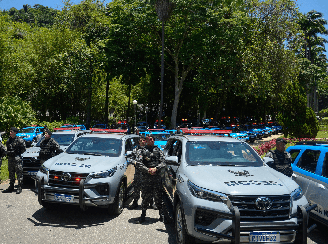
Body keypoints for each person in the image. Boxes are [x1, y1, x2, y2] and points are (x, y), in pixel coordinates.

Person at [134, 135, 165, 223]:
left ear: (154, 140)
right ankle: (143, 215)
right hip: (146, 178)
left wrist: (156, 168)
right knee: (145, 197)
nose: (150, 140)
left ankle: (161, 215)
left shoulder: (158, 150)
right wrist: (147, 170)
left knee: (158, 196)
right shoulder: (141, 151)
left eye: (151, 139)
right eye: (148, 139)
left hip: (157, 178)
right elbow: (138, 163)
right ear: (146, 141)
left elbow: (163, 162)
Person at [3, 127, 26, 194]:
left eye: (11, 132)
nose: (10, 133)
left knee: (19, 173)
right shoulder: (8, 140)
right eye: (10, 132)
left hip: (17, 158)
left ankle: (19, 187)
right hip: (10, 159)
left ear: (15, 133)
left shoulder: (19, 140)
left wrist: (17, 153)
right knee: (11, 173)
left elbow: (23, 149)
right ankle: (11, 186)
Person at [129, 136, 146, 209]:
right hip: (138, 173)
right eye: (141, 140)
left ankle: (149, 203)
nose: (142, 141)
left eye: (144, 140)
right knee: (136, 188)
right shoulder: (135, 150)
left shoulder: (148, 149)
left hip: (146, 173)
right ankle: (135, 202)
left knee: (147, 188)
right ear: (139, 141)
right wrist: (134, 162)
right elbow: (130, 158)